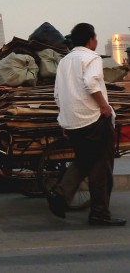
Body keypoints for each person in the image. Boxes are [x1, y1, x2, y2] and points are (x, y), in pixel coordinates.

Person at [47, 23, 125, 226]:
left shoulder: (64, 62)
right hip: (93, 119)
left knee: (84, 159)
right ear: (91, 40)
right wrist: (104, 107)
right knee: (101, 166)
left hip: (73, 122)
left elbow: (57, 94)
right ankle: (97, 212)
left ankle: (62, 195)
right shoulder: (92, 58)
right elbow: (91, 83)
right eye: (95, 37)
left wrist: (64, 119)